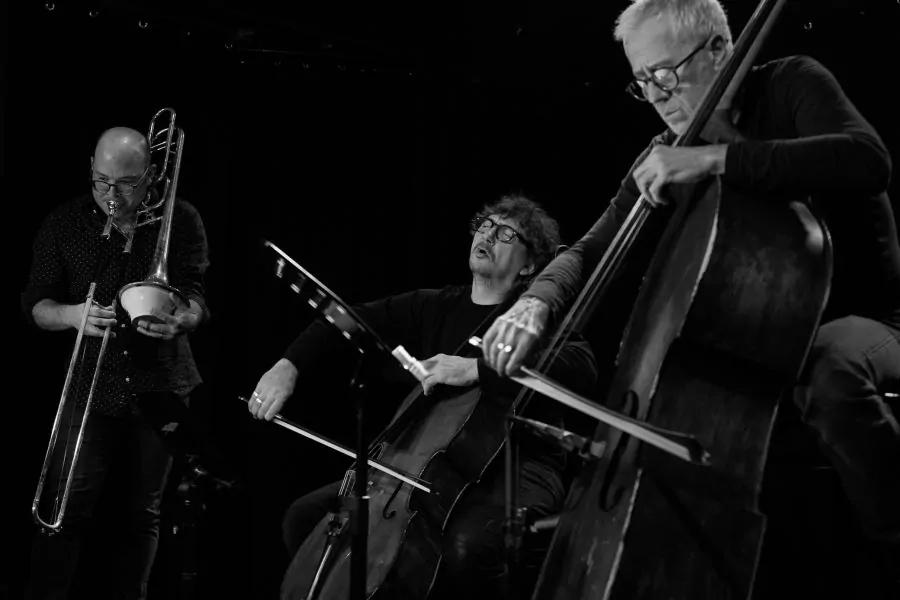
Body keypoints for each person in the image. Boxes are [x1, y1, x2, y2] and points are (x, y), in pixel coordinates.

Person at [482, 0, 900, 587]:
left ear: (719, 50)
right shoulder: (665, 153)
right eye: (642, 81)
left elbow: (866, 159)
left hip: (874, 323)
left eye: (665, 73)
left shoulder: (790, 84)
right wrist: (536, 303)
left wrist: (714, 159)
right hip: (760, 356)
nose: (655, 95)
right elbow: (591, 248)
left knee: (833, 371)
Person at [249, 195, 599, 599]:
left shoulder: (531, 316)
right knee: (305, 517)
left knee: (469, 548)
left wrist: (476, 368)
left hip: (517, 462)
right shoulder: (437, 305)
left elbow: (581, 366)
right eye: (486, 225)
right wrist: (288, 366)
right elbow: (346, 319)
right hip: (427, 466)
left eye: (507, 234)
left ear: (529, 265)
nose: (488, 235)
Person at [22, 126, 210, 599]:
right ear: (91, 167)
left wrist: (185, 318)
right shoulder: (65, 222)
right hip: (91, 379)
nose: (111, 194)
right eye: (101, 181)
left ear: (151, 175)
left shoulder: (182, 218)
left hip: (161, 382)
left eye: (126, 184)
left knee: (142, 514)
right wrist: (72, 315)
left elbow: (196, 295)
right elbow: (35, 303)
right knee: (63, 509)